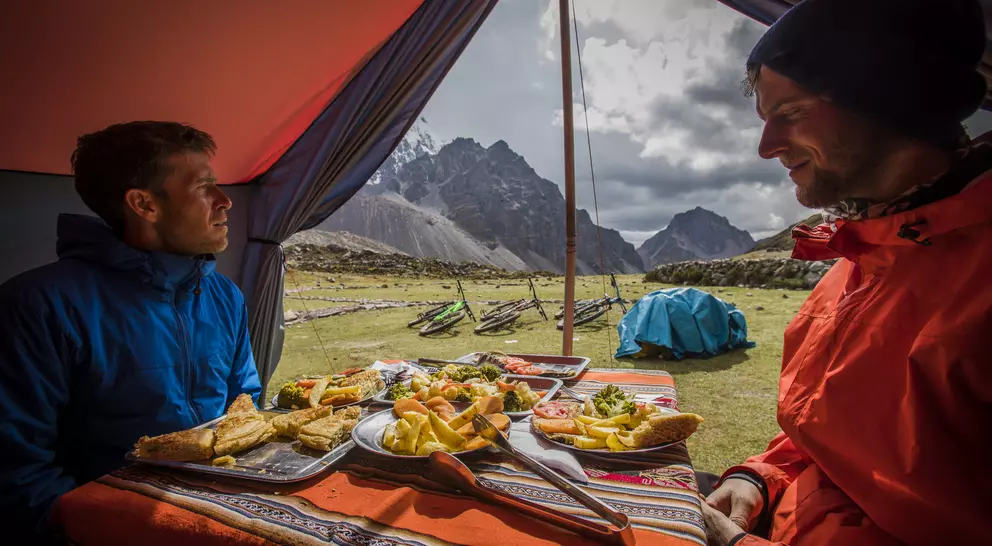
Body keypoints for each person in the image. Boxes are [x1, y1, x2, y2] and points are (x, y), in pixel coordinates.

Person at [699, 0, 992, 544]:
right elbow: (825, 438)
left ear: (893, 96)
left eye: (792, 113)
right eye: (766, 121)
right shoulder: (855, 261)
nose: (767, 148)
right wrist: (760, 479)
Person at [0, 121, 263, 538]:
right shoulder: (39, 306)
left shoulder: (223, 296)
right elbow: (16, 472)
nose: (225, 201)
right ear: (144, 203)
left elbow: (244, 404)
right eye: (203, 187)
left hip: (219, 510)